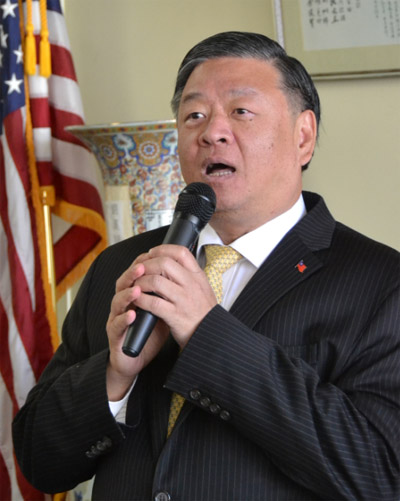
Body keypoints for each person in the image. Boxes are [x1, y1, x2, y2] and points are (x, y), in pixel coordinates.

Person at [13, 31, 399, 501]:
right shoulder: (122, 265)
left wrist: (207, 333)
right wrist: (114, 374)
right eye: (194, 115)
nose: (212, 132)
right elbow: (39, 461)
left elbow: (382, 475)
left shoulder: (382, 284)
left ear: (303, 136)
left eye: (241, 111)